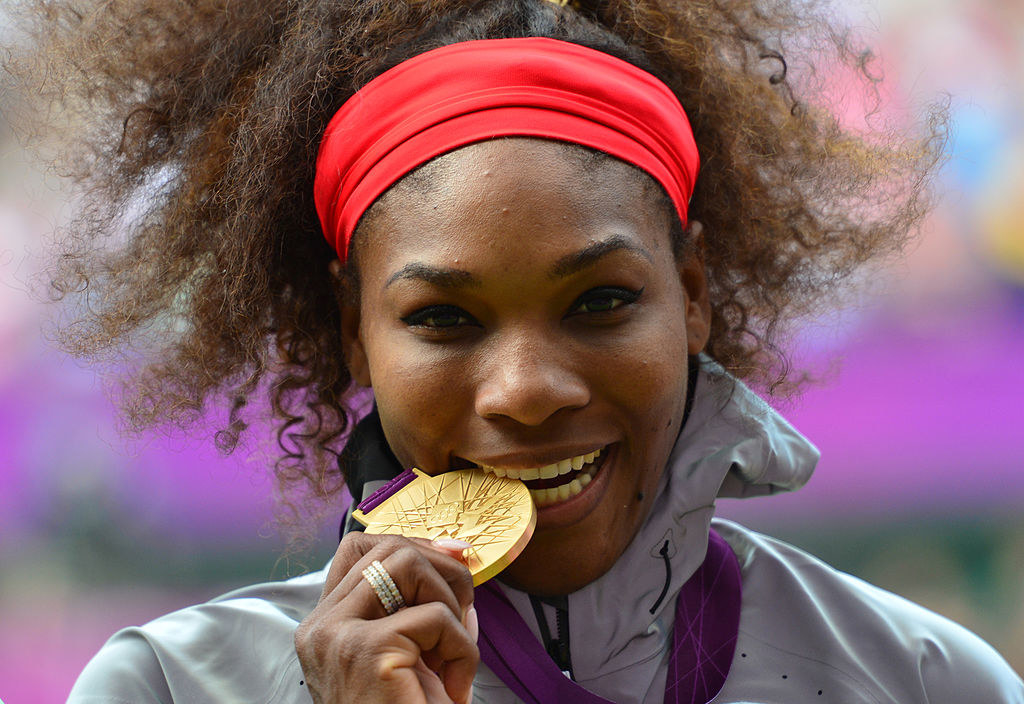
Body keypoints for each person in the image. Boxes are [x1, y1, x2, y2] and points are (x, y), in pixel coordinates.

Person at [7, 0, 1022, 702]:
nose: (527, 389)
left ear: (695, 295)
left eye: (601, 300)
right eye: (444, 318)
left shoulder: (925, 678)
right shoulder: (168, 686)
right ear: (352, 332)